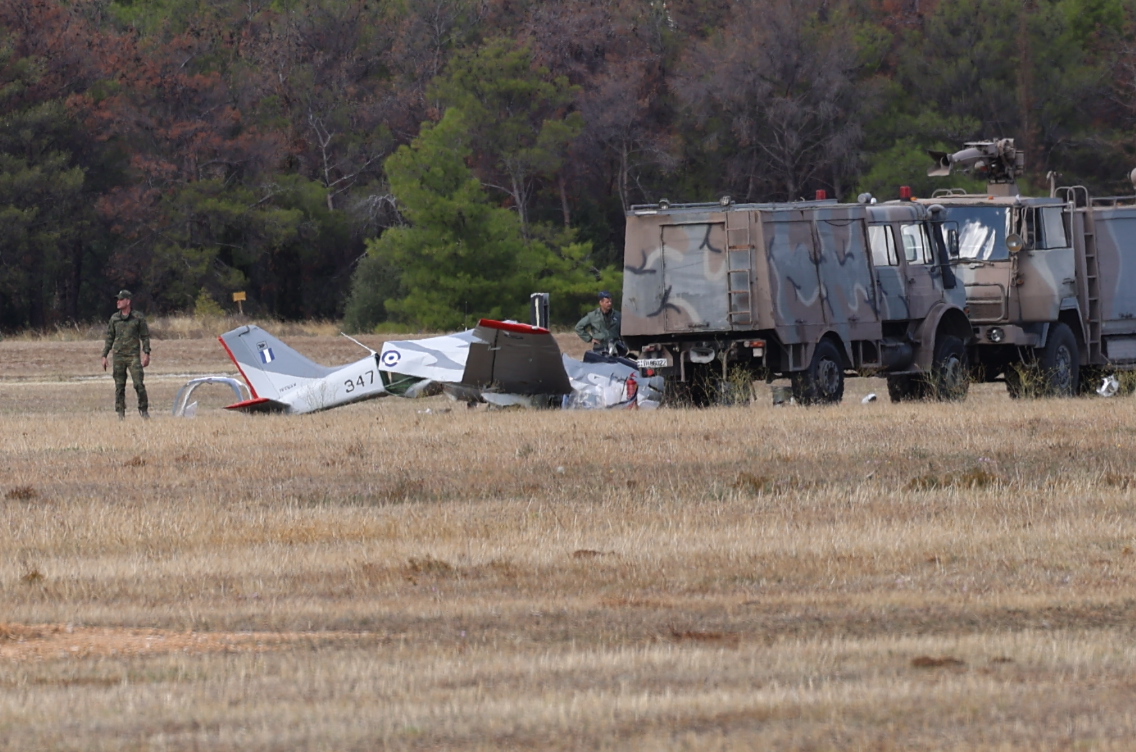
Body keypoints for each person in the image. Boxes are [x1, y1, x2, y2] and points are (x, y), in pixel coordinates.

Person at [101, 290, 151, 419]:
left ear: (128, 301)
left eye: (121, 299)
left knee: (138, 383)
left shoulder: (138, 317)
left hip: (133, 356)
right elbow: (109, 338)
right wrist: (104, 355)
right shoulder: (114, 319)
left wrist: (146, 353)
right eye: (118, 299)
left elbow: (145, 336)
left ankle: (144, 410)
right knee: (119, 386)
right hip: (118, 356)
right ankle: (120, 413)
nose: (118, 302)